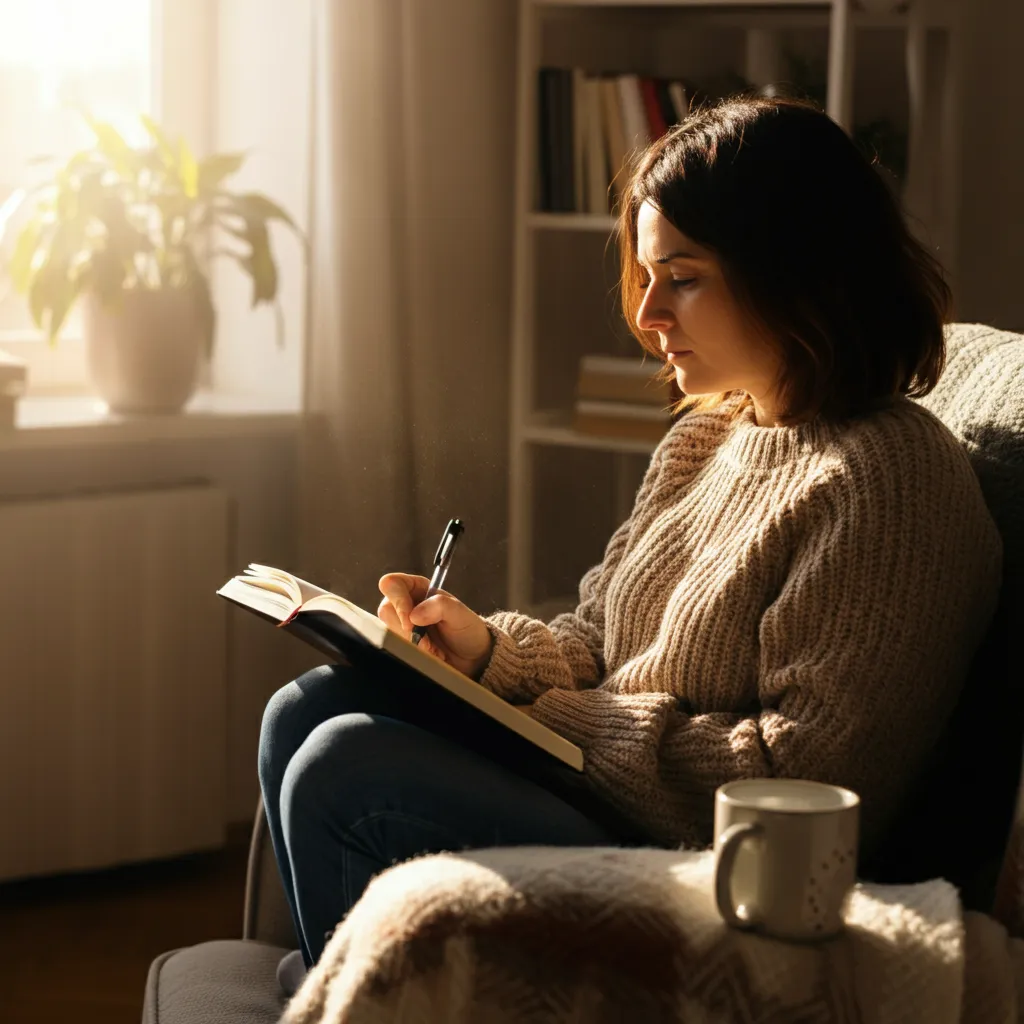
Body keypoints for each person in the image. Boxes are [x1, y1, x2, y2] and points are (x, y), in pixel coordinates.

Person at [258, 94, 1002, 974]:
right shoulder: (708, 434)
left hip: (706, 866)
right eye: (648, 277)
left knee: (348, 765)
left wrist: (558, 721)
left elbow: (798, 779)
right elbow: (598, 636)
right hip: (602, 793)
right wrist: (486, 653)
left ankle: (341, 989)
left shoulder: (888, 481)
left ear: (797, 271)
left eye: (682, 278)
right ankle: (343, 986)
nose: (648, 315)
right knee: (307, 706)